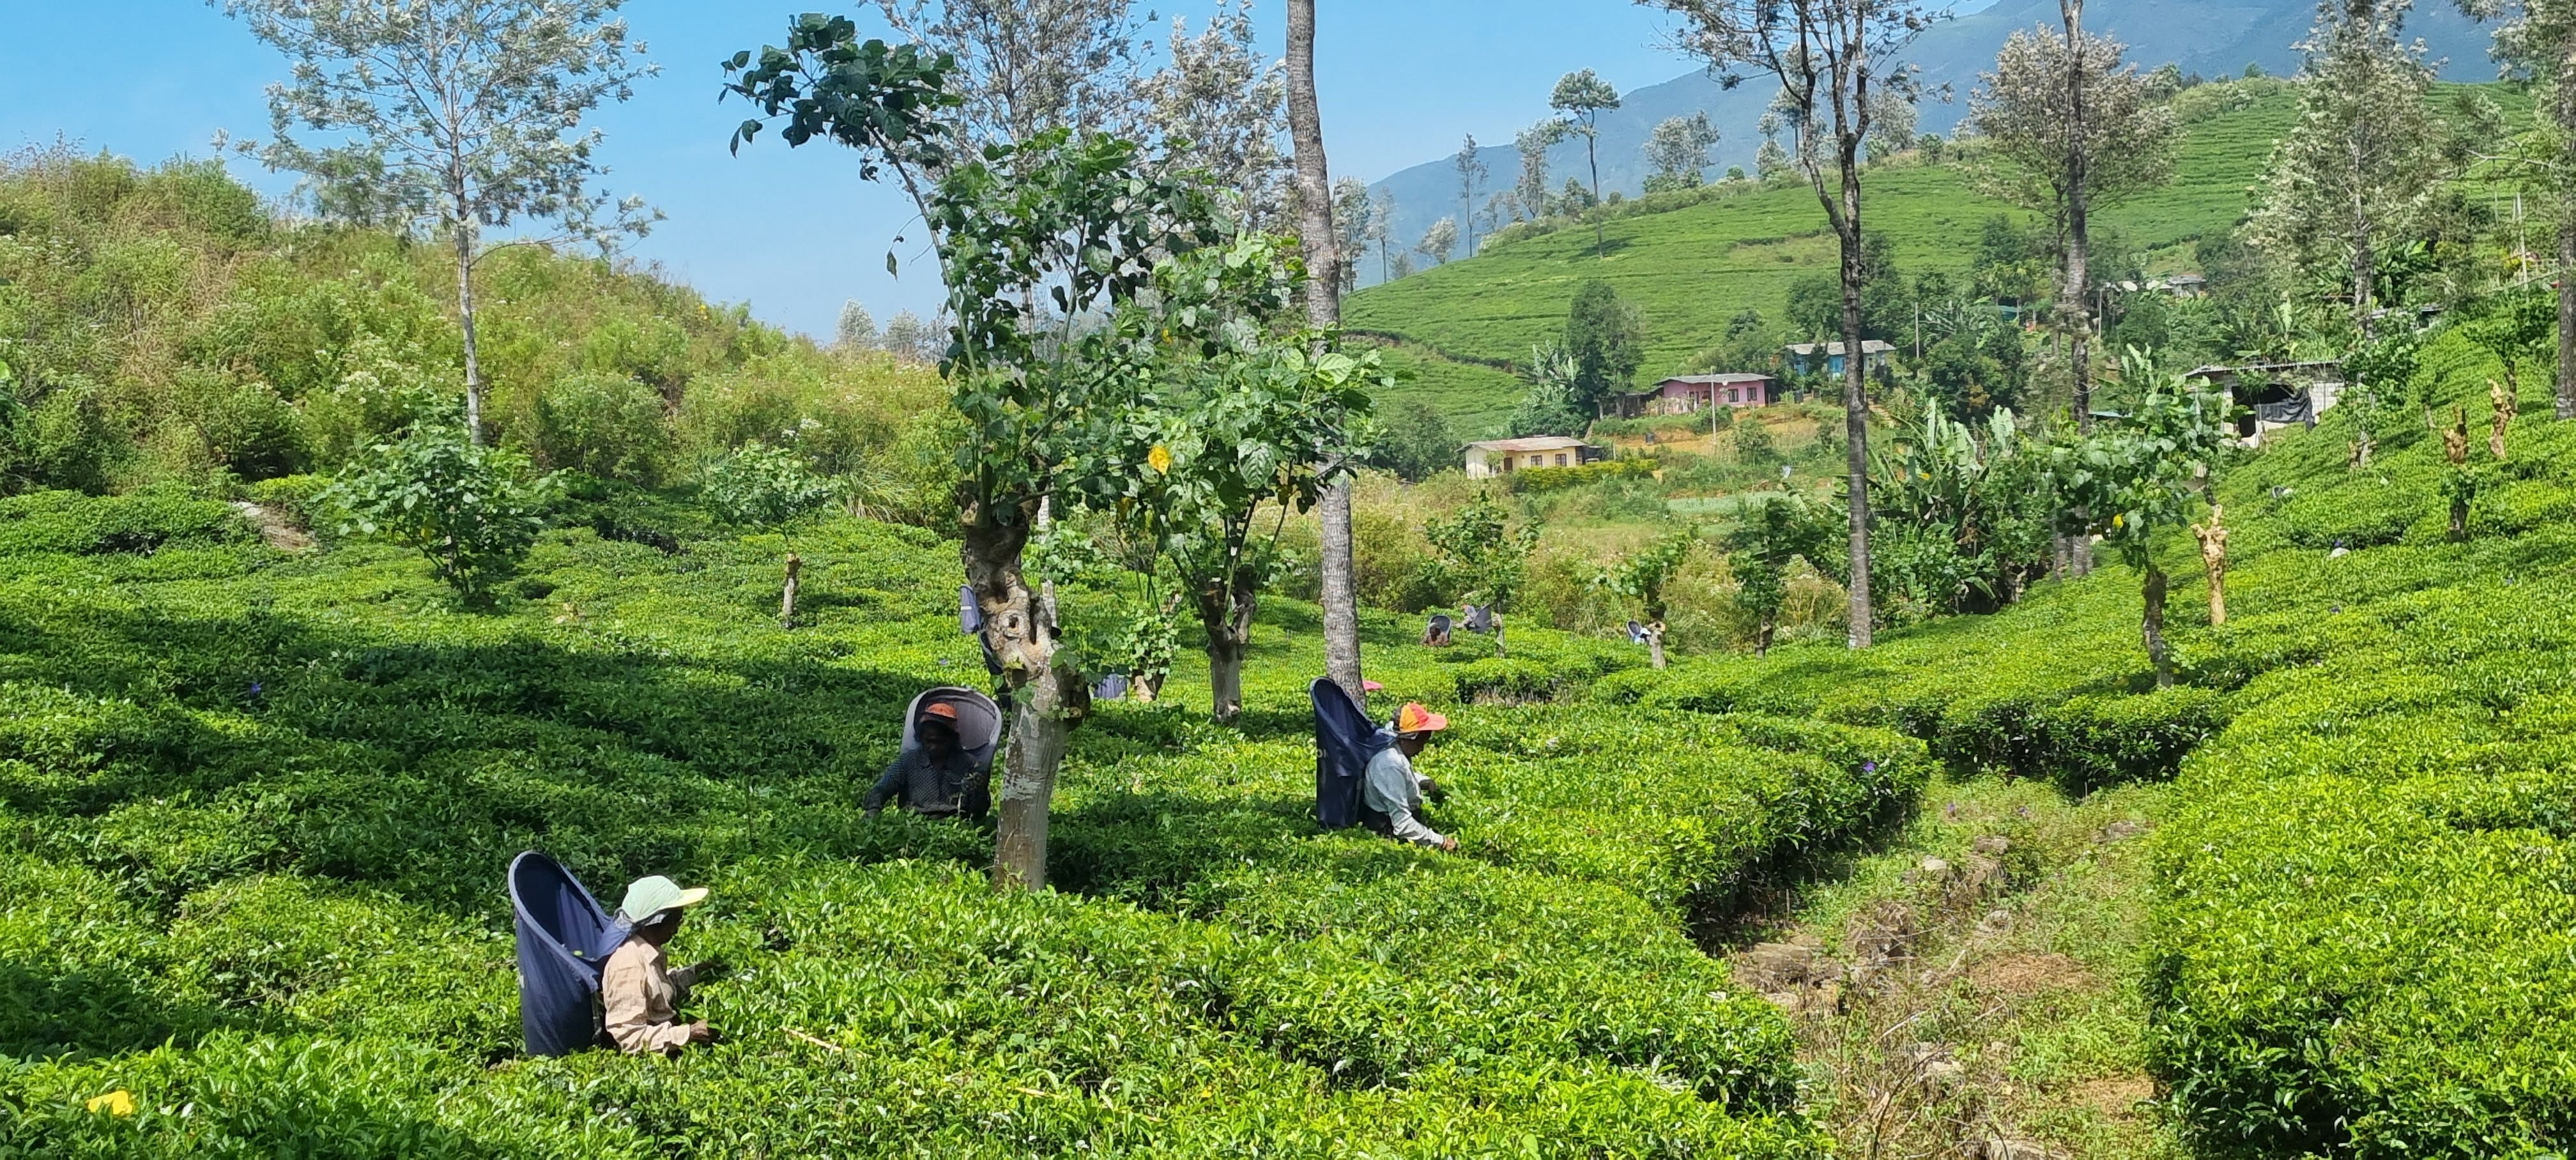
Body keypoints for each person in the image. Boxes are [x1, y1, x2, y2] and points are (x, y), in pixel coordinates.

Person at [601, 875, 721, 1056]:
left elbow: (658, 988)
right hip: (652, 1061)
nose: (677, 928)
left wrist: (696, 973)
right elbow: (629, 1037)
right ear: (657, 922)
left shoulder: (647, 949)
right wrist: (688, 1033)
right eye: (674, 921)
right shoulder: (628, 965)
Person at [864, 700, 991, 819]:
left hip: (954, 824)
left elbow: (979, 812)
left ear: (952, 740)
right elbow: (880, 790)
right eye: (929, 741)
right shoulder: (909, 761)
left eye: (941, 742)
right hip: (914, 824)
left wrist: (980, 789)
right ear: (921, 738)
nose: (934, 747)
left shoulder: (969, 763)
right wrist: (873, 810)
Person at [1364, 703, 1458, 851]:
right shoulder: (1390, 766)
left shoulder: (1394, 751)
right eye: (1421, 742)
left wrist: (1423, 781)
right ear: (1409, 737)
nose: (1422, 749)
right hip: (1389, 834)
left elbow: (1403, 776)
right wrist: (1442, 842)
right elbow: (1403, 825)